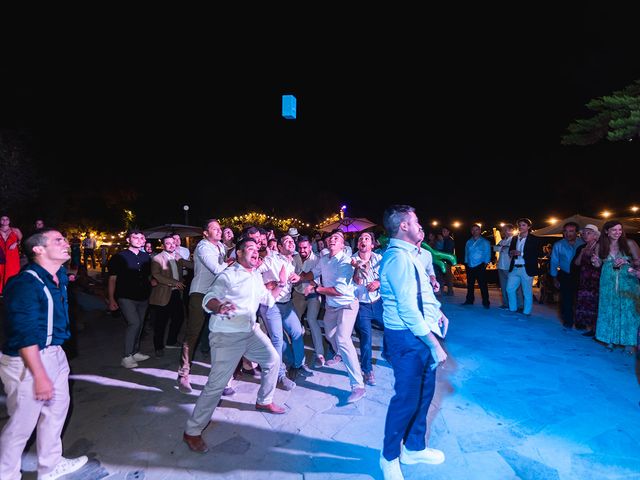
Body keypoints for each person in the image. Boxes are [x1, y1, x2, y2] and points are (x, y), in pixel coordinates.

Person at [182, 238, 288, 454]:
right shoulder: (228, 274)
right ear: (238, 254)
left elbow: (267, 299)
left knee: (273, 359)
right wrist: (219, 305)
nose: (255, 252)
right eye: (249, 248)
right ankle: (192, 431)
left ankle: (264, 400)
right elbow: (208, 298)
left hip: (250, 332)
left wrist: (281, 284)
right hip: (226, 336)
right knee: (216, 385)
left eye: (257, 249)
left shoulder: (256, 276)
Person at [0, 228, 88, 479]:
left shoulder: (58, 274)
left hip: (55, 353)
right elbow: (24, 334)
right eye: (58, 240)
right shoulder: (24, 283)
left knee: (57, 411)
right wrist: (39, 375)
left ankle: (49, 466)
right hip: (27, 360)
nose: (65, 243)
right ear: (38, 249)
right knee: (21, 425)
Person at [378, 205, 448, 480]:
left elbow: (421, 294)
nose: (421, 226)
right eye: (416, 221)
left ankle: (414, 447)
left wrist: (437, 311)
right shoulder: (398, 259)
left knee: (424, 393)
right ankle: (389, 457)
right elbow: (407, 309)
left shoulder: (414, 255)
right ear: (404, 226)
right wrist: (433, 344)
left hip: (421, 330)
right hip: (407, 337)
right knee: (406, 399)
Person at [592, 220, 640, 354]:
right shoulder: (600, 245)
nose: (617, 232)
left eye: (620, 229)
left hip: (628, 281)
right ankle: (610, 339)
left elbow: (638, 261)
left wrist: (627, 260)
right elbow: (598, 264)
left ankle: (629, 342)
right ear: (606, 231)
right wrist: (595, 261)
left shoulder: (630, 243)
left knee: (628, 310)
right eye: (614, 230)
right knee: (609, 309)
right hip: (607, 282)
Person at [107, 228, 152, 368]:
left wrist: (153, 282)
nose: (139, 240)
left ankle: (135, 351)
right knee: (134, 323)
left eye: (141, 238)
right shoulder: (119, 257)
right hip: (126, 296)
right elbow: (112, 279)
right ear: (128, 240)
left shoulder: (146, 257)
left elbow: (147, 276)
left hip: (143, 296)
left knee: (140, 324)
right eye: (135, 238)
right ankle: (127, 356)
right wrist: (111, 299)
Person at [351, 231, 383, 386]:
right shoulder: (351, 260)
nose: (363, 240)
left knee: (392, 329)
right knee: (366, 339)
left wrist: (378, 283)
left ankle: (390, 353)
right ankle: (367, 370)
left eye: (367, 238)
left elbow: (387, 276)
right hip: (361, 305)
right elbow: (356, 280)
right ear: (358, 244)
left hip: (378, 303)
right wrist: (357, 267)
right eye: (360, 239)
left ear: (372, 244)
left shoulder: (379, 259)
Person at [549, 222, 584, 328]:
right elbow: (554, 262)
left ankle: (580, 322)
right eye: (565, 231)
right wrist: (554, 278)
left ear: (577, 232)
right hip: (565, 275)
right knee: (566, 300)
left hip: (581, 276)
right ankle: (568, 321)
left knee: (581, 300)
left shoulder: (583, 243)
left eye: (571, 231)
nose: (568, 233)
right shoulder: (558, 245)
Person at [506, 218, 542, 316]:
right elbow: (510, 251)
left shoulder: (534, 239)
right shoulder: (514, 238)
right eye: (519, 225)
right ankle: (512, 309)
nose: (521, 227)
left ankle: (526, 312)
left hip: (527, 268)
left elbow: (538, 253)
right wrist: (511, 252)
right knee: (509, 289)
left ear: (529, 227)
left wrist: (521, 253)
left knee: (527, 292)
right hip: (515, 267)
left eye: (523, 225)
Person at [572, 224, 601, 336]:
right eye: (584, 233)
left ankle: (594, 329)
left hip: (594, 278)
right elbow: (577, 263)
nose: (585, 235)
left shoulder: (598, 246)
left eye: (589, 232)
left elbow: (597, 263)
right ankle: (588, 326)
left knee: (594, 303)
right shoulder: (584, 247)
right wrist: (582, 253)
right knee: (584, 302)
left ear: (595, 235)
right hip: (584, 278)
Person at [462, 224, 491, 308]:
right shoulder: (468, 241)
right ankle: (469, 300)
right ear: (471, 231)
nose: (474, 231)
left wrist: (485, 264)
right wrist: (466, 262)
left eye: (477, 230)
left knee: (483, 285)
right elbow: (467, 253)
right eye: (473, 230)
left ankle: (486, 302)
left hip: (480, 265)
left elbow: (487, 253)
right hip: (470, 265)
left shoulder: (485, 242)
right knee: (470, 284)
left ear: (480, 231)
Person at [0, 215, 23, 296]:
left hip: (12, 254)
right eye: (2, 219)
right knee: (1, 271)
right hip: (1, 254)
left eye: (7, 219)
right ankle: (1, 291)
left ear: (9, 221)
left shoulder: (15, 230)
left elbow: (21, 240)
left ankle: (12, 290)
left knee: (12, 271)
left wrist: (16, 243)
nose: (4, 220)